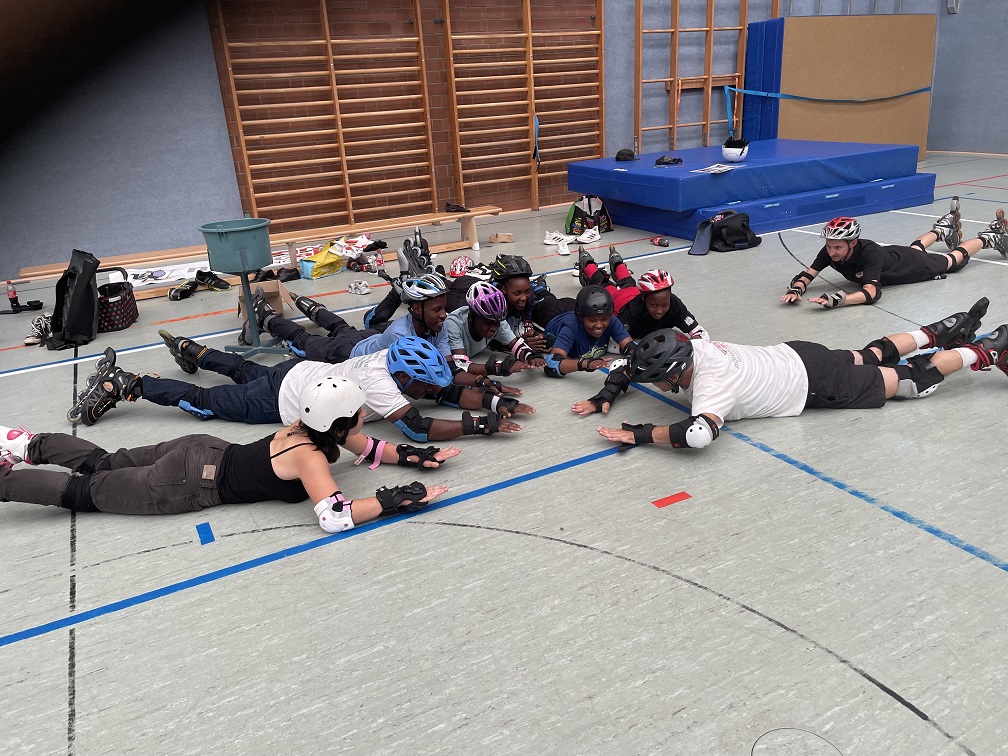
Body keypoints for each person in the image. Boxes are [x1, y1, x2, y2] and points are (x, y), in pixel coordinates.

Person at [3, 376, 452, 532]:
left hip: (197, 450)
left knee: (103, 462)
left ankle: (22, 443)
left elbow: (368, 446)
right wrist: (398, 497)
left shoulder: (308, 427)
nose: (364, 417)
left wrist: (414, 456)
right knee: (87, 491)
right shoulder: (311, 456)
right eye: (358, 413)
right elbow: (335, 516)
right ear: (338, 423)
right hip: (187, 481)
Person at [573, 299, 1003, 451]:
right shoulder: (696, 346)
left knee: (909, 380)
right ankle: (939, 330)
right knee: (871, 353)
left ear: (674, 374)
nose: (656, 387)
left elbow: (697, 435)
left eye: (657, 381)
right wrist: (606, 394)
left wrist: (641, 435)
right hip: (798, 352)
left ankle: (985, 350)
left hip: (813, 386)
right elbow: (632, 365)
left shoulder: (711, 388)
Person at [70, 335, 532, 441]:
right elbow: (417, 427)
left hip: (299, 371)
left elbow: (446, 389)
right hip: (282, 400)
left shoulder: (389, 362)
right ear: (406, 377)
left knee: (243, 369)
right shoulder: (381, 384)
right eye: (422, 384)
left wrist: (493, 398)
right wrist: (482, 424)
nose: (428, 389)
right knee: (206, 402)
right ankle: (128, 383)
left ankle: (195, 351)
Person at [781, 211, 1008, 308]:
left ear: (853, 243)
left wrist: (839, 300)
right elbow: (808, 274)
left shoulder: (869, 254)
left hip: (914, 266)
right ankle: (942, 230)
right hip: (896, 254)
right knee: (916, 247)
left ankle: (989, 236)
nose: (832, 252)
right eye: (829, 246)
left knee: (953, 259)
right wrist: (796, 289)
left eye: (837, 247)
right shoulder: (830, 250)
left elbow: (871, 293)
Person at [254, 273, 451, 361]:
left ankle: (306, 304)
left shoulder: (438, 326)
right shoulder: (400, 337)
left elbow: (448, 363)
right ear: (416, 309)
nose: (444, 315)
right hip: (347, 353)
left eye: (444, 308)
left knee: (341, 327)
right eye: (437, 310)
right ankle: (264, 315)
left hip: (369, 338)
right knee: (303, 341)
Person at [575, 246, 708, 340]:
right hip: (618, 299)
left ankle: (617, 263)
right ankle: (587, 263)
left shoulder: (674, 303)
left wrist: (695, 344)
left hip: (632, 289)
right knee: (603, 282)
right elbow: (614, 341)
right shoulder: (632, 311)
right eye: (654, 305)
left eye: (665, 304)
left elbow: (700, 333)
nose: (659, 311)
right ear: (644, 299)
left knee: (627, 280)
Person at [444, 281, 546, 380]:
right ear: (471, 317)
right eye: (487, 324)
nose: (493, 328)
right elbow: (460, 365)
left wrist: (531, 356)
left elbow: (516, 345)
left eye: (496, 323)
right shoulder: (453, 325)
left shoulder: (497, 320)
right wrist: (498, 368)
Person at [543, 285, 634, 378]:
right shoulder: (570, 327)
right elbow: (552, 365)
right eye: (592, 320)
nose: (599, 325)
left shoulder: (611, 320)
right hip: (550, 314)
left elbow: (632, 348)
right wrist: (586, 364)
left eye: (604, 319)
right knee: (547, 299)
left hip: (573, 306)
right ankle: (540, 289)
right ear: (581, 318)